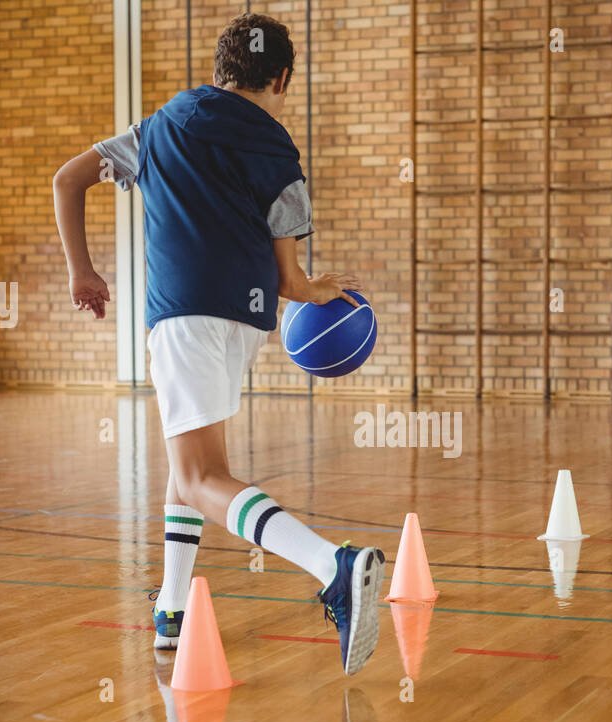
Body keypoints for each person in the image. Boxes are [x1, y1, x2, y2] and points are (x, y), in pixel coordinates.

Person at [52, 13, 384, 675]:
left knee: (202, 477)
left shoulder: (157, 128)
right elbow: (290, 280)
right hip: (249, 324)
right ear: (282, 77)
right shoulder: (280, 151)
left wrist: (82, 271)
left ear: (217, 70)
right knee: (191, 471)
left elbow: (67, 179)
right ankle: (172, 613)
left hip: (182, 318)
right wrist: (315, 288)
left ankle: (333, 566)